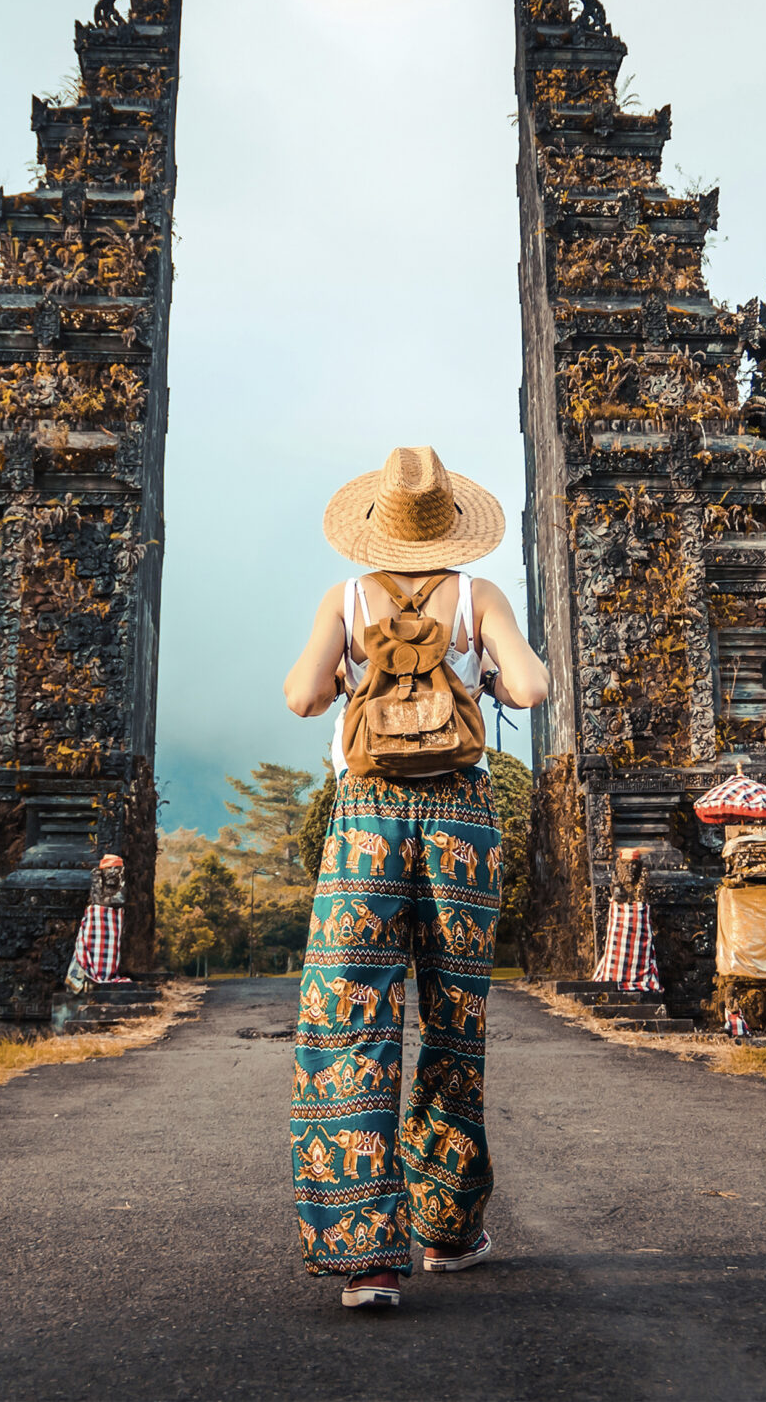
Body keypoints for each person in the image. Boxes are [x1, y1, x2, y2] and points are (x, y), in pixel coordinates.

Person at [281, 446, 549, 1311]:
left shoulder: (347, 598)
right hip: (462, 821)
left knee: (347, 1015)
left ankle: (368, 1259)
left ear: (375, 526)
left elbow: (298, 696)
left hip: (365, 816)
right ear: (450, 523)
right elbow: (536, 686)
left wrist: (340, 688)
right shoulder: (478, 596)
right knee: (452, 1017)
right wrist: (494, 670)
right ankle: (448, 1228)